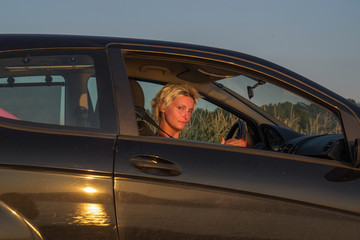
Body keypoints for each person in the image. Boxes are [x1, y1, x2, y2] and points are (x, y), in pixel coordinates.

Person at [151, 83, 247, 147]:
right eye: (180, 108)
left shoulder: (179, 145)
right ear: (162, 107)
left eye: (190, 111)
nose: (186, 116)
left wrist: (222, 149)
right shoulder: (156, 145)